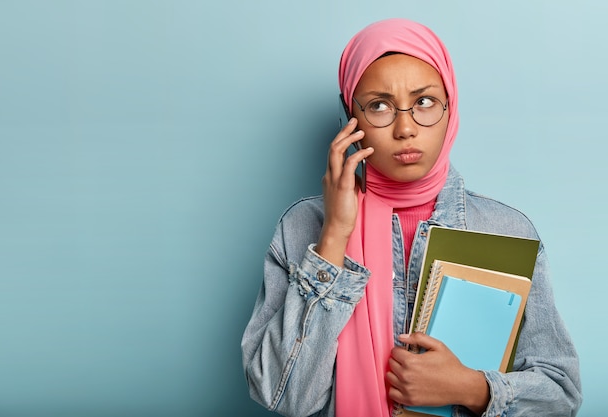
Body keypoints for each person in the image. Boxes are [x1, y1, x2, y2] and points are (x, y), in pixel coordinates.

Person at [241, 18, 582, 417]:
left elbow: (561, 395)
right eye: (379, 106)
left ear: (450, 106)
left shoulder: (505, 229)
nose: (405, 128)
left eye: (423, 102)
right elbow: (286, 397)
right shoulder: (302, 226)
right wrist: (334, 234)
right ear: (349, 117)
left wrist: (471, 388)